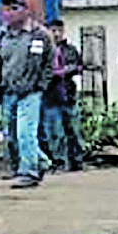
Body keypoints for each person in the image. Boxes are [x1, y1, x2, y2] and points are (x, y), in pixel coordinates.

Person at [0, 0, 50, 189]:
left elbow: (48, 63)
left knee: (26, 133)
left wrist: (40, 85)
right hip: (9, 91)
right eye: (6, 9)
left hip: (30, 92)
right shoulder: (0, 35)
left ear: (26, 10)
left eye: (14, 8)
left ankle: (28, 171)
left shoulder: (39, 34)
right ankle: (41, 162)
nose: (9, 13)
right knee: (12, 135)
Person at [42, 20, 86, 172]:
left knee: (73, 129)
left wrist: (66, 70)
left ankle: (77, 160)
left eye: (58, 30)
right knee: (55, 132)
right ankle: (59, 161)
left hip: (68, 94)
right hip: (50, 95)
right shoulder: (44, 50)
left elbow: (78, 65)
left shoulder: (70, 49)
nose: (55, 34)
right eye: (52, 30)